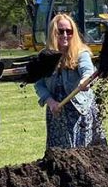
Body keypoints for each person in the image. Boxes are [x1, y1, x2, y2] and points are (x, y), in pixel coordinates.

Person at [34, 13, 103, 148]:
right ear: (53, 33)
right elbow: (39, 84)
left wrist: (85, 80)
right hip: (57, 112)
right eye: (60, 31)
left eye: (69, 31)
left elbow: (87, 70)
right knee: (59, 155)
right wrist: (50, 101)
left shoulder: (81, 53)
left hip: (79, 111)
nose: (65, 35)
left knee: (81, 153)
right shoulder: (45, 57)